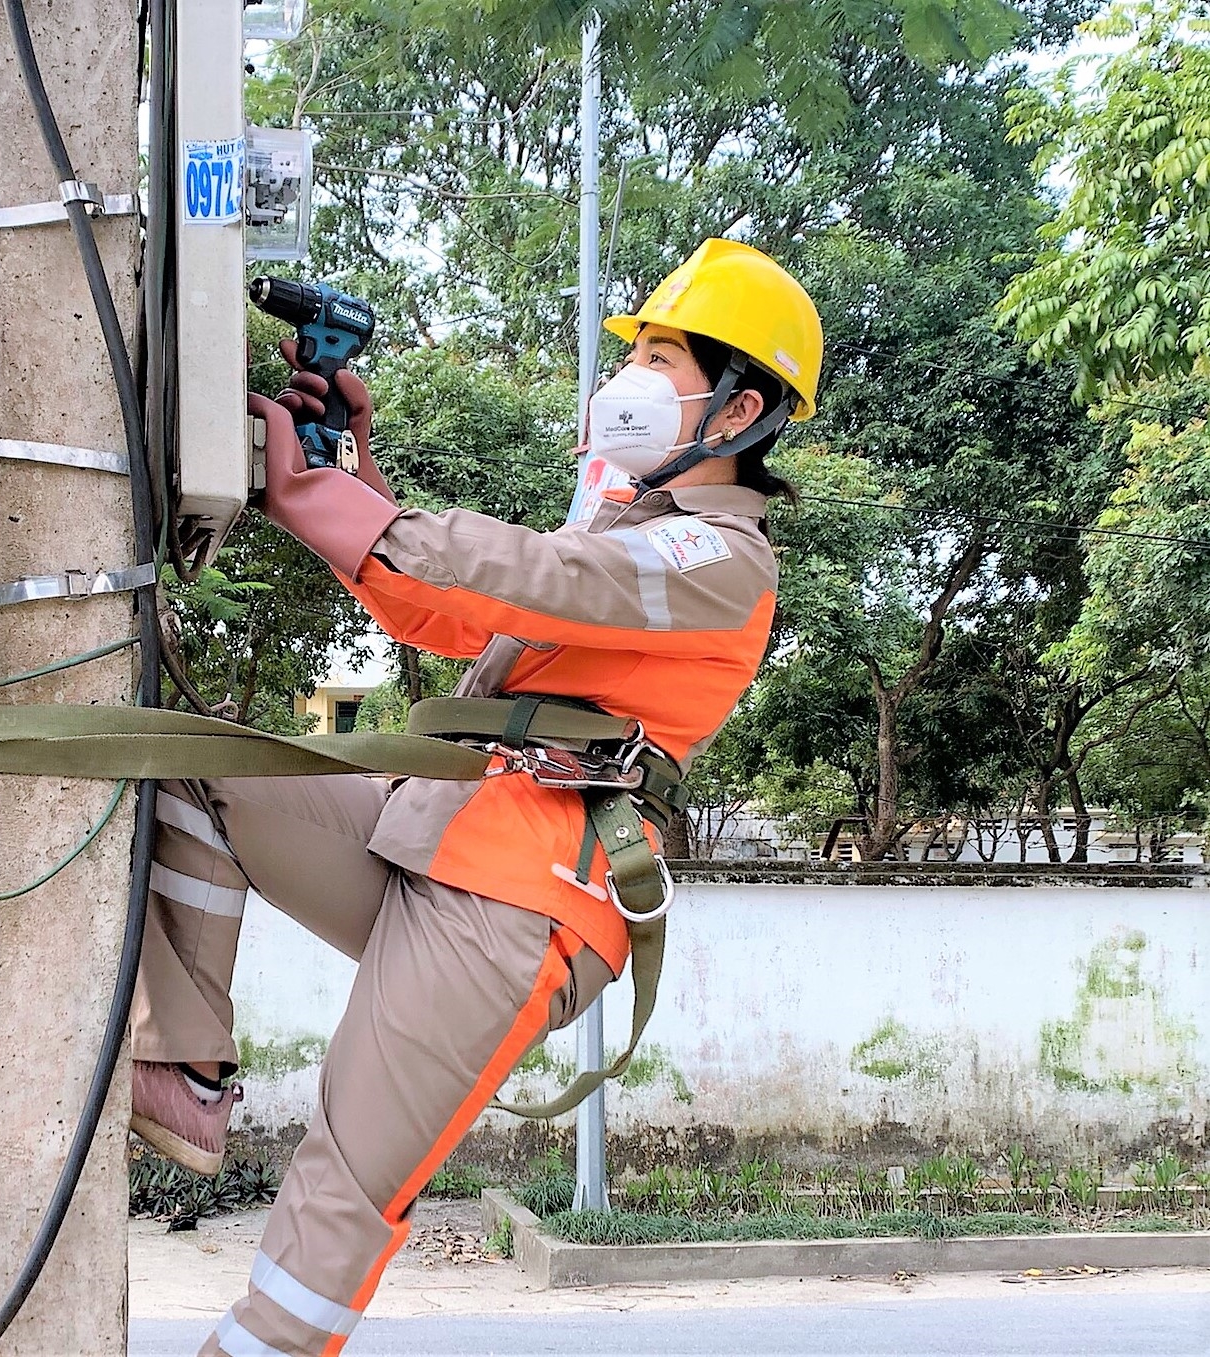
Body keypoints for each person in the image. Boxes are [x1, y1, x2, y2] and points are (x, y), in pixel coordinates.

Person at [129, 238, 823, 1356]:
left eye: (658, 355)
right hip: (434, 831)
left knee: (337, 1196)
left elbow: (521, 574)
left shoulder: (719, 559)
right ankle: (187, 1073)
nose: (629, 379)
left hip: (523, 898)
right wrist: (346, 474)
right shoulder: (629, 530)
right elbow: (447, 611)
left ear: (739, 405)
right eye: (632, 351)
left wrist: (314, 490)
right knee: (196, 763)